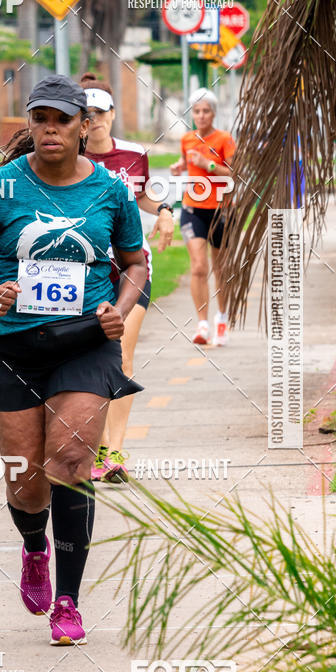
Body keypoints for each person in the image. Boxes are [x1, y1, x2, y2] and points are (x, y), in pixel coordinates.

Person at [0, 74, 147, 645]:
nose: (50, 129)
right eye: (40, 118)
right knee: (26, 481)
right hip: (11, 343)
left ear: (83, 126)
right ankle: (34, 545)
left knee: (68, 461)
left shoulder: (111, 191)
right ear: (30, 125)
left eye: (62, 119)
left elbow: (135, 262)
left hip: (86, 341)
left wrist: (120, 307)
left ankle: (68, 600)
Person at [81, 72, 174, 483]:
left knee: (121, 356)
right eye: (87, 114)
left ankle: (114, 452)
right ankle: (95, 445)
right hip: (85, 272)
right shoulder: (70, 156)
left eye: (101, 112)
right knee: (92, 361)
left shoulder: (134, 154)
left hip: (132, 267)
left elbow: (143, 196)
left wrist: (167, 210)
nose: (95, 120)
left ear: (113, 114)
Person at [170, 88, 235, 346]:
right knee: (198, 266)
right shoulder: (187, 139)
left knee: (220, 268)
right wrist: (179, 166)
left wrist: (208, 164)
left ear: (213, 113)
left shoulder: (224, 139)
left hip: (220, 211)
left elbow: (232, 173)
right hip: (192, 209)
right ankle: (202, 324)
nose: (201, 115)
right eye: (196, 111)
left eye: (206, 111)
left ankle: (222, 320)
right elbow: (187, 163)